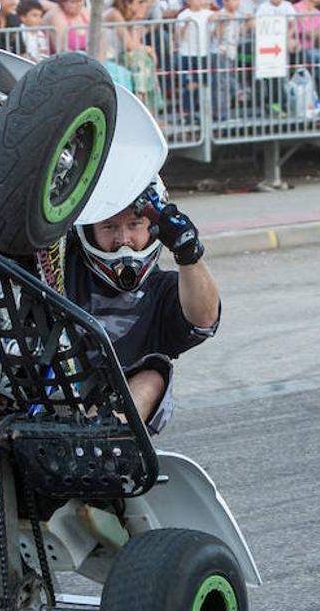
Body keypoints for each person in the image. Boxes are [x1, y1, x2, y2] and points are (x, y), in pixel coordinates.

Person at [64, 179, 220, 433]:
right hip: (41, 392)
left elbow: (204, 320)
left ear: (153, 229)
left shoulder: (163, 290)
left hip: (105, 415)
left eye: (134, 225)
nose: (123, 239)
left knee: (153, 377)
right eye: (109, 226)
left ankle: (92, 444)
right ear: (88, 230)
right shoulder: (59, 264)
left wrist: (189, 253)